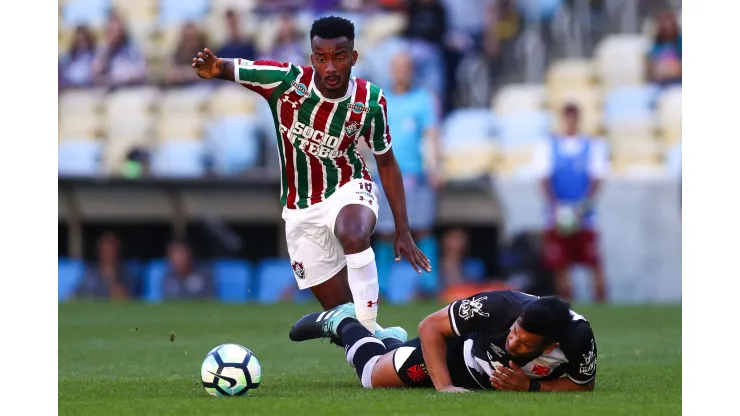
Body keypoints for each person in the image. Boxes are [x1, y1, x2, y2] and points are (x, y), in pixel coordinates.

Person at [191, 16, 432, 340]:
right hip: (301, 209)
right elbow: (231, 67)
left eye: (339, 57)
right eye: (321, 58)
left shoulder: (369, 101)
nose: (330, 67)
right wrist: (213, 69)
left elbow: (386, 162)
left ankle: (371, 332)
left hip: (349, 186)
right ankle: (376, 339)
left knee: (354, 232)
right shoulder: (285, 82)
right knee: (346, 322)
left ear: (353, 57)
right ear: (312, 58)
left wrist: (403, 228)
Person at [289, 290, 597, 393]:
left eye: (523, 342)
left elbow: (583, 385)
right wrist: (445, 387)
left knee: (390, 358)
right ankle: (343, 321)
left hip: (481, 377)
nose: (512, 342)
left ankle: (390, 342)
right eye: (514, 332)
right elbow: (431, 327)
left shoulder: (578, 338)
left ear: (549, 346)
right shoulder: (497, 306)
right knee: (371, 376)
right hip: (455, 355)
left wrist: (531, 386)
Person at [374, 52, 442, 298]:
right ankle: (380, 286)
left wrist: (435, 167)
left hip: (415, 174)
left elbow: (431, 134)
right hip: (384, 173)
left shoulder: (423, 100)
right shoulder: (380, 98)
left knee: (421, 228)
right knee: (384, 231)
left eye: (406, 67)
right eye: (397, 67)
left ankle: (428, 284)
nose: (401, 73)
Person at [531, 103, 608, 303]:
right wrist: (556, 206)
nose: (570, 122)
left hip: (585, 216)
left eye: (574, 118)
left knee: (593, 261)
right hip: (557, 215)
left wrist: (584, 205)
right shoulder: (548, 146)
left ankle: (601, 301)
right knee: (560, 263)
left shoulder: (592, 146)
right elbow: (543, 179)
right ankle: (567, 303)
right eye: (567, 118)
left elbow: (596, 179)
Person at [75, 232, 136, 300]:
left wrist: (123, 296)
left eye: (111, 250)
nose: (108, 254)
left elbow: (134, 299)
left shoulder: (126, 275)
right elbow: (75, 295)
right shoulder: (90, 275)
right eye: (105, 251)